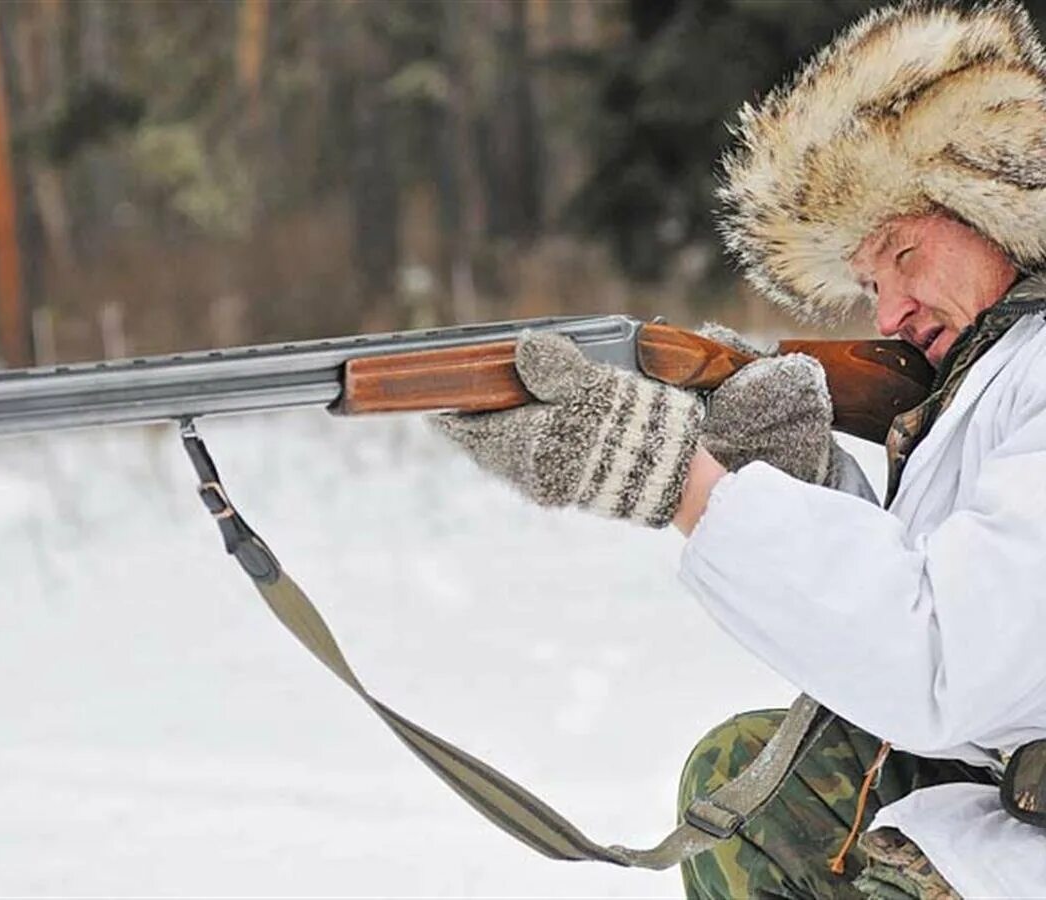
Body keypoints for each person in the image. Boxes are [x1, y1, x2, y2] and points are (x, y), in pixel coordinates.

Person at [432, 2, 1046, 897]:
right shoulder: (1002, 364)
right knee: (742, 779)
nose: (889, 315)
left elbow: (945, 664)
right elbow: (959, 591)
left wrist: (681, 479)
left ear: (1001, 200)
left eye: (904, 254)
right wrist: (801, 480)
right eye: (872, 283)